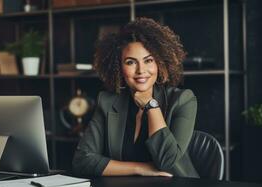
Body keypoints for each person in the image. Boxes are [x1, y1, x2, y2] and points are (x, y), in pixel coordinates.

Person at [72, 17, 199, 178]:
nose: (141, 70)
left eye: (148, 61)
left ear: (160, 64)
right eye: (131, 62)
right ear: (119, 67)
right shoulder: (107, 102)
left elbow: (167, 161)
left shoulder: (183, 100)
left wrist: (151, 106)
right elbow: (82, 161)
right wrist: (141, 169)